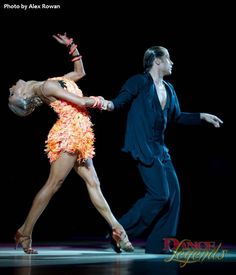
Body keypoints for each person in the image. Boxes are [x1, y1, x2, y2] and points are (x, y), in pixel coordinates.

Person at [8, 33, 134, 254]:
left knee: (93, 184)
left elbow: (79, 73)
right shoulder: (46, 88)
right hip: (68, 134)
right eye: (11, 93)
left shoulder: (49, 82)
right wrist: (105, 103)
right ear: (23, 96)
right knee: (53, 185)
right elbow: (82, 101)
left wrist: (72, 47)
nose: (11, 87)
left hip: (80, 133)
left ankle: (117, 229)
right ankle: (25, 231)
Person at [105, 45, 223, 254]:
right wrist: (104, 104)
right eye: (169, 58)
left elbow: (177, 116)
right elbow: (118, 102)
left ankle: (158, 244)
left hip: (160, 149)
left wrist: (201, 116)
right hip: (142, 147)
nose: (172, 62)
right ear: (157, 60)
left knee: (174, 195)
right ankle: (119, 230)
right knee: (160, 195)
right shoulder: (139, 82)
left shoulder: (168, 88)